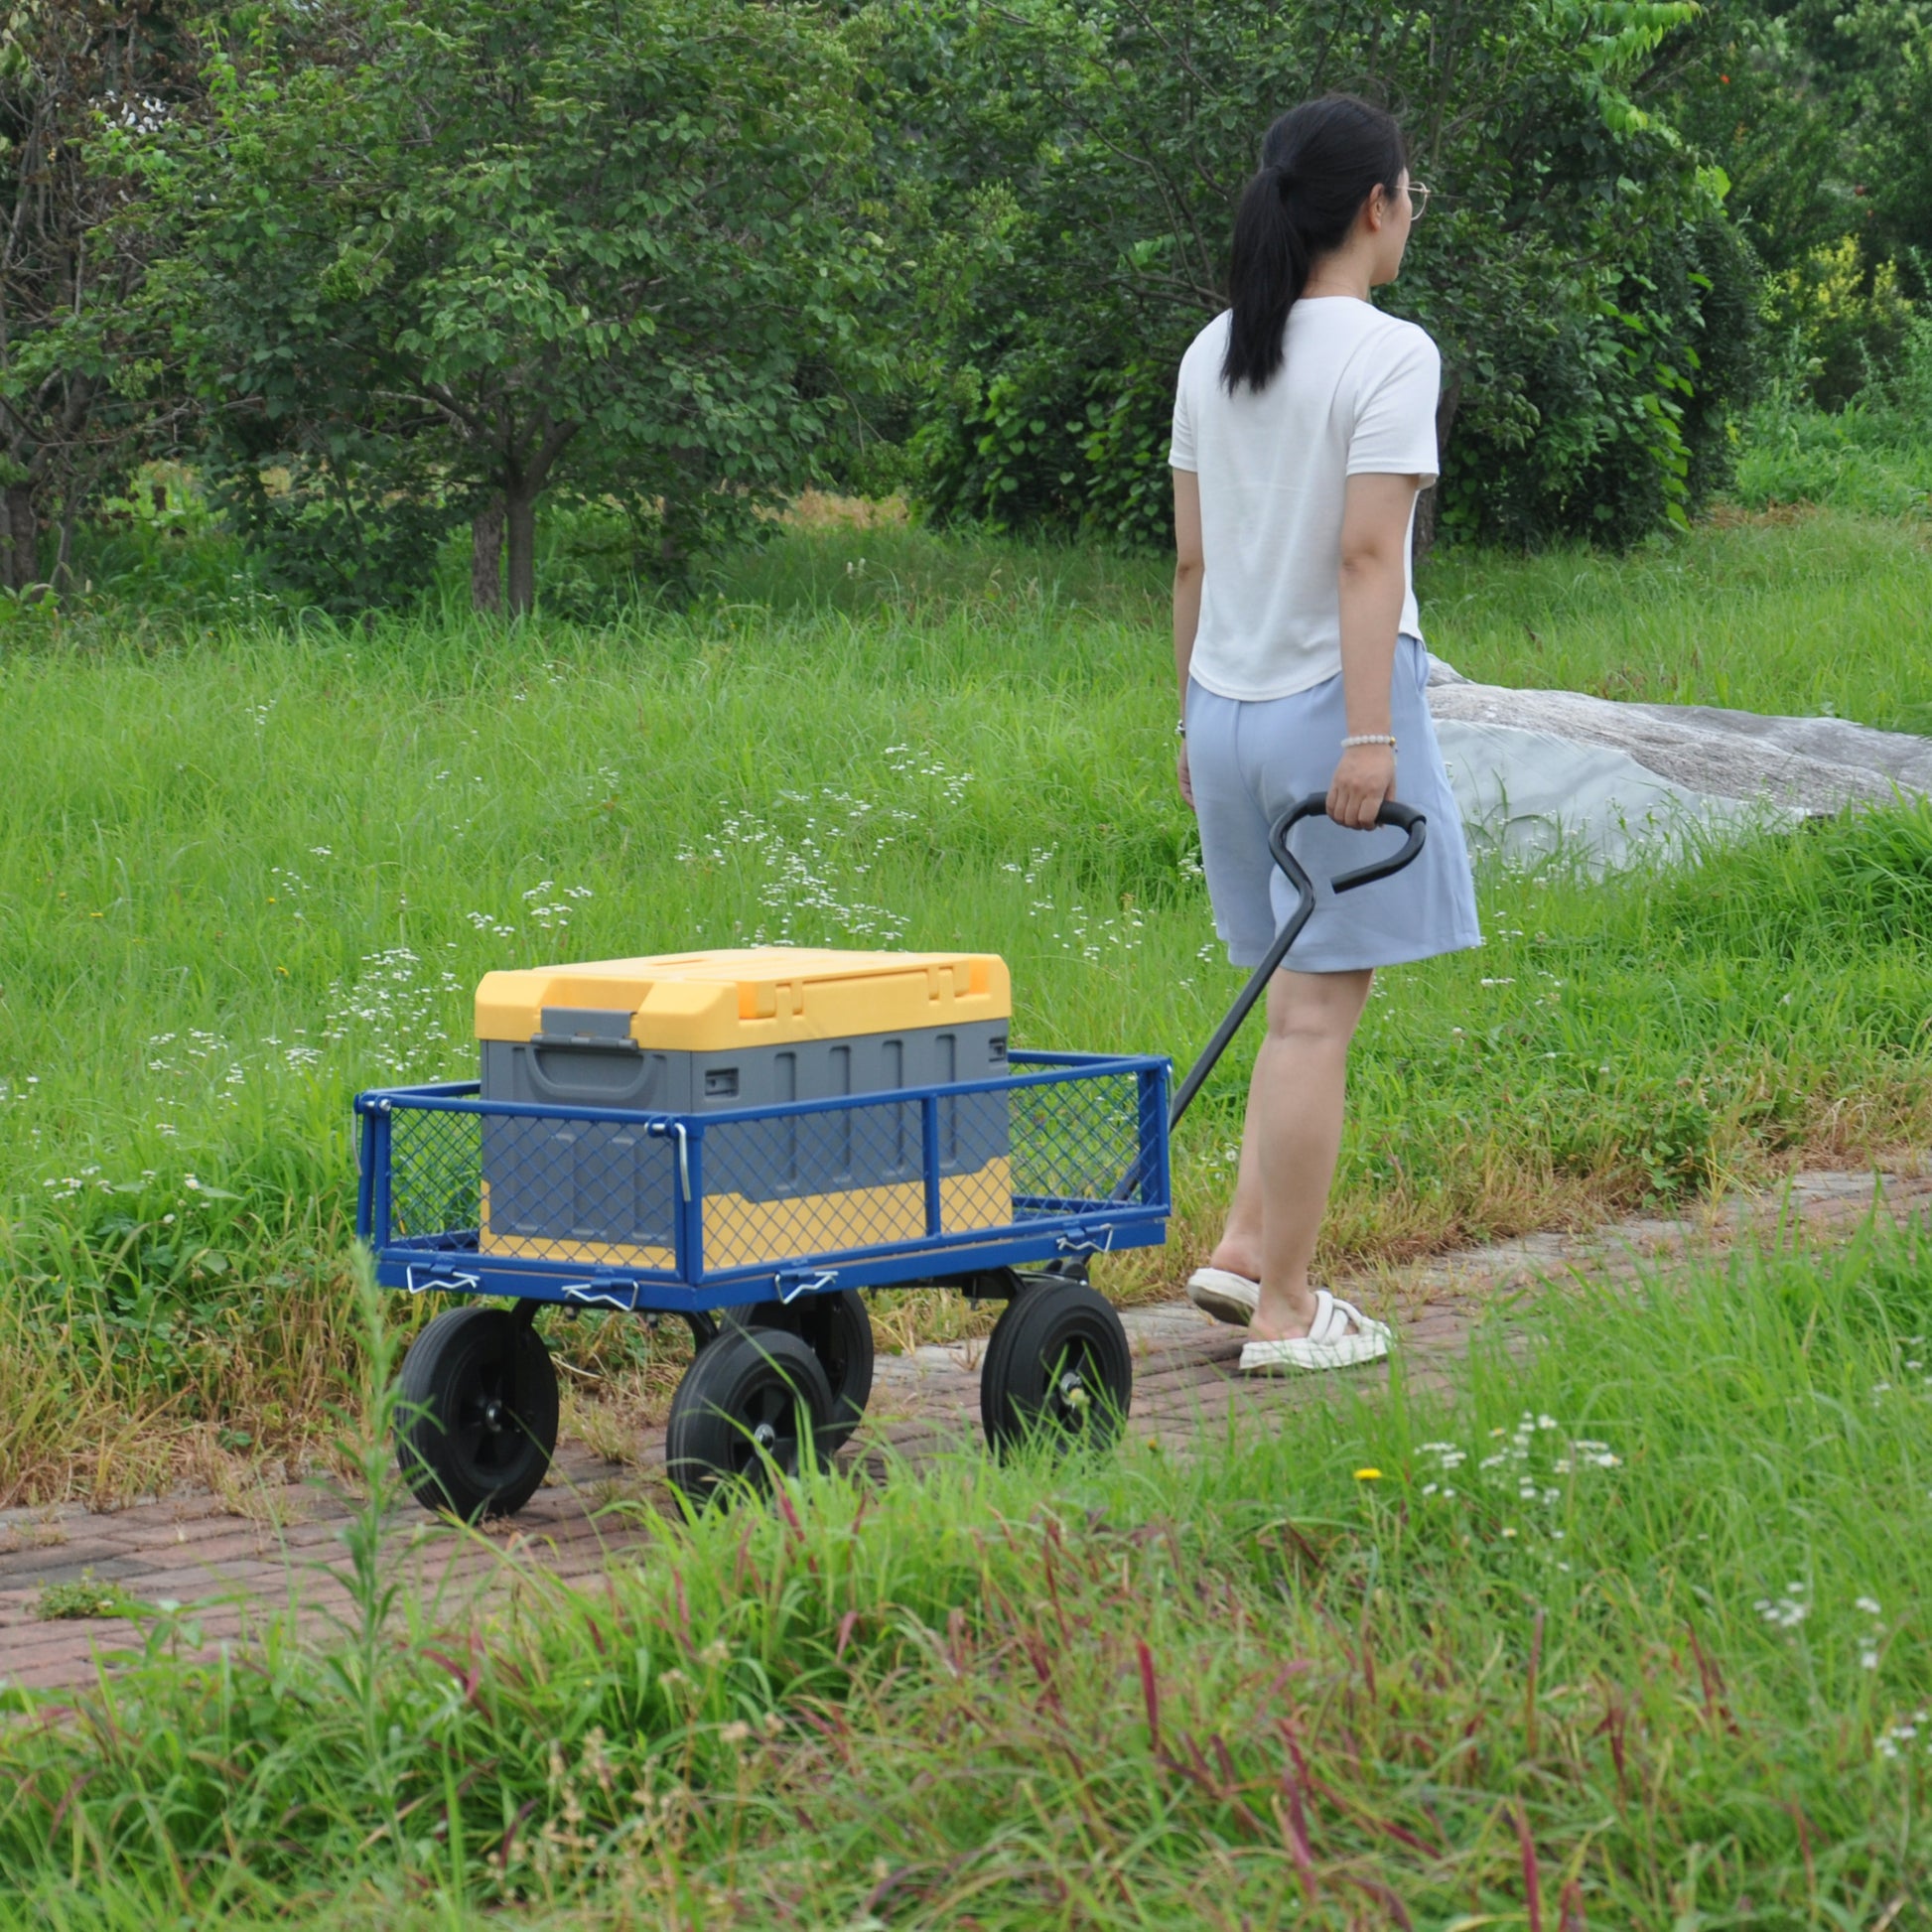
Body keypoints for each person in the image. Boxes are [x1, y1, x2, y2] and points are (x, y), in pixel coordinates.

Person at [1170, 92, 1481, 1374]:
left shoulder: (1211, 351)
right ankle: (1291, 1309)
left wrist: (1187, 722)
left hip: (1223, 712)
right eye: (1408, 192)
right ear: (1373, 206)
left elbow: (1191, 561)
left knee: (1285, 1000)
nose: (1411, 212)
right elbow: (1368, 552)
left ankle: (1245, 1250)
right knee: (1312, 1019)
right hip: (1326, 711)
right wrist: (1369, 735)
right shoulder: (1388, 353)